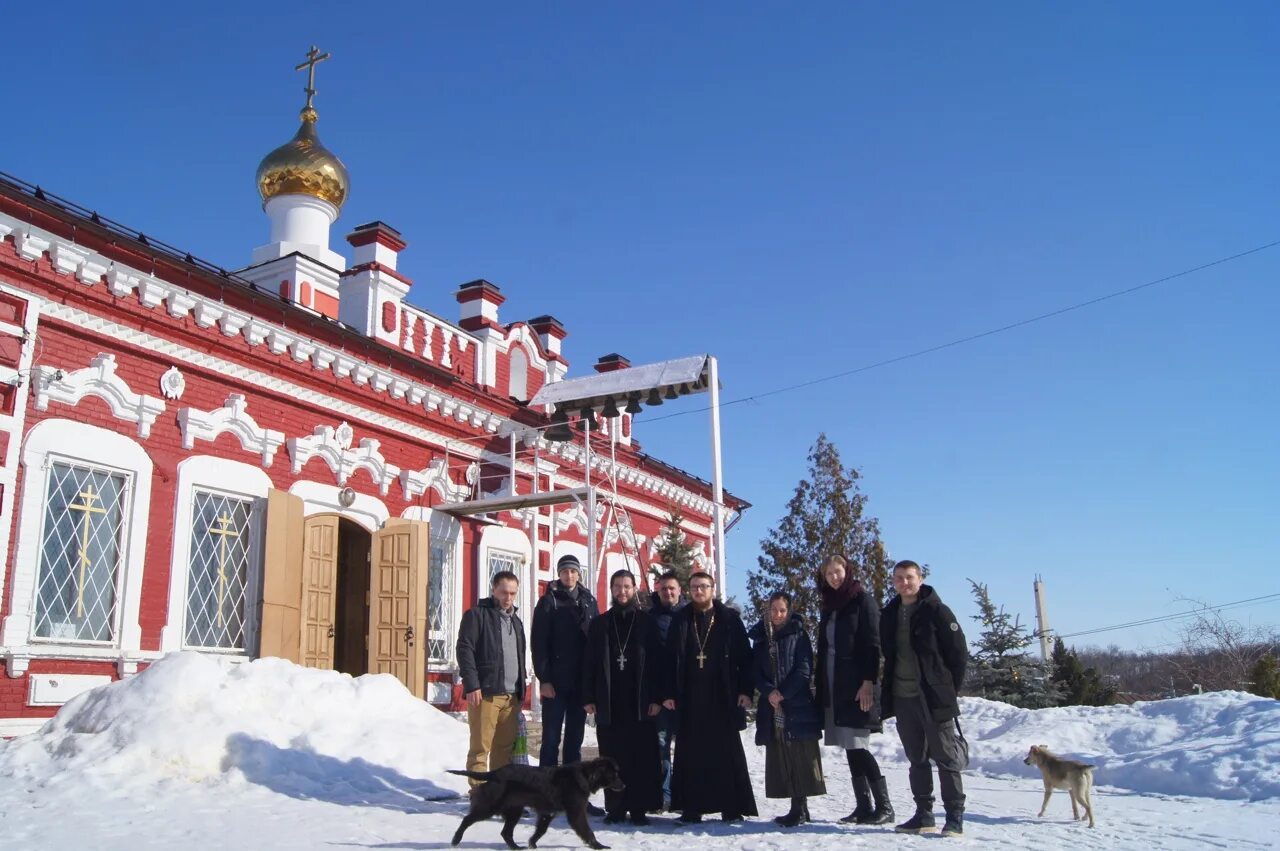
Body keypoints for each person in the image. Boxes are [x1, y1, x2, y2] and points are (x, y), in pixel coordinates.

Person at [880, 560, 969, 837]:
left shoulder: (937, 611)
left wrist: (946, 689)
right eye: (898, 578)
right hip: (903, 696)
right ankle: (923, 815)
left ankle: (954, 817)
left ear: (920, 579)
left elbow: (958, 654)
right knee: (916, 758)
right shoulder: (890, 613)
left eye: (908, 577)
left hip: (932, 697)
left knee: (945, 757)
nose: (903, 583)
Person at [663, 570, 757, 825]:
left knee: (725, 753)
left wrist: (745, 691)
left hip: (722, 696)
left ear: (712, 589)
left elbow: (745, 659)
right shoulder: (681, 619)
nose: (698, 591)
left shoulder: (728, 619)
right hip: (690, 697)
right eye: (694, 587)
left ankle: (731, 806)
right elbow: (669, 660)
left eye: (703, 586)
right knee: (691, 755)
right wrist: (668, 693)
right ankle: (692, 808)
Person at [815, 554, 895, 826]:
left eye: (837, 572)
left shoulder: (863, 600)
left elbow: (872, 644)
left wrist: (868, 681)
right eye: (829, 574)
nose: (834, 577)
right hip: (835, 685)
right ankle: (863, 806)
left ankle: (885, 807)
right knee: (849, 747)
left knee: (859, 745)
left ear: (846, 571)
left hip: (857, 685)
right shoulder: (829, 606)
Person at [582, 569, 664, 825]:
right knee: (610, 757)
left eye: (626, 586)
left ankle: (639, 808)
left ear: (635, 588)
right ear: (612, 589)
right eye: (617, 586)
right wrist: (588, 696)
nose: (622, 591)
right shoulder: (600, 624)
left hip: (640, 701)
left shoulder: (647, 623)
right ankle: (616, 808)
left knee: (640, 755)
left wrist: (657, 698)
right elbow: (589, 663)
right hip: (610, 701)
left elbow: (657, 663)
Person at [749, 591, 825, 827]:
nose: (778, 615)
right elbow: (755, 671)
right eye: (773, 610)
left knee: (800, 756)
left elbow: (803, 669)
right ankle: (795, 806)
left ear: (788, 611)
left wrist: (783, 693)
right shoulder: (761, 638)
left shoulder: (799, 635)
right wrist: (769, 691)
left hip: (796, 704)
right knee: (782, 755)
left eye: (782, 610)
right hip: (771, 705)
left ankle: (801, 808)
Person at [456, 570, 527, 789]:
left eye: (513, 594)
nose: (508, 598)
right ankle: (478, 795)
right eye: (504, 592)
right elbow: (464, 649)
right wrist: (472, 684)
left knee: (503, 750)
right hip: (486, 693)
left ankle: (498, 795)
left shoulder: (516, 622)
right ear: (494, 590)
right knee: (480, 749)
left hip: (511, 696)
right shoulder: (477, 615)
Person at [531, 554, 598, 769]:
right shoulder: (549, 601)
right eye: (564, 571)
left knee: (574, 740)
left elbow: (595, 639)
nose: (569, 575)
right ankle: (545, 793)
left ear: (579, 573)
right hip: (556, 683)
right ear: (558, 574)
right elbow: (539, 643)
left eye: (573, 571)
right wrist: (545, 678)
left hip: (580, 683)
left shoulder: (588, 600)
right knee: (551, 740)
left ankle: (572, 792)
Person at [647, 571, 686, 810]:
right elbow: (649, 662)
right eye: (664, 589)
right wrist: (657, 696)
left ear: (680, 591)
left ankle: (684, 794)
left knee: (686, 749)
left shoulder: (689, 616)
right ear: (658, 590)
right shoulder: (650, 618)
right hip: (661, 697)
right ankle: (664, 794)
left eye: (672, 588)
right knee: (661, 749)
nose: (668, 592)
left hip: (685, 695)